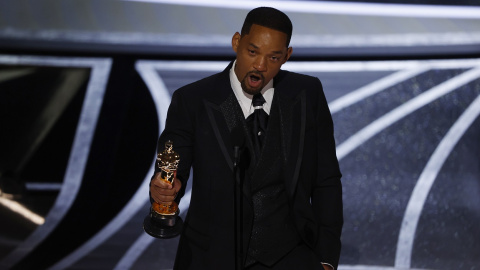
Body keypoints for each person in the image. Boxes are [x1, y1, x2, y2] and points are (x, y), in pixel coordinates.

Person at [150, 7, 343, 270]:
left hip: (292, 257)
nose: (260, 66)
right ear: (236, 42)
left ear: (287, 56)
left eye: (273, 57)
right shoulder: (192, 100)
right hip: (211, 258)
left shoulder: (307, 94)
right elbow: (171, 168)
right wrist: (164, 190)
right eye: (253, 52)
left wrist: (326, 259)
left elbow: (326, 179)